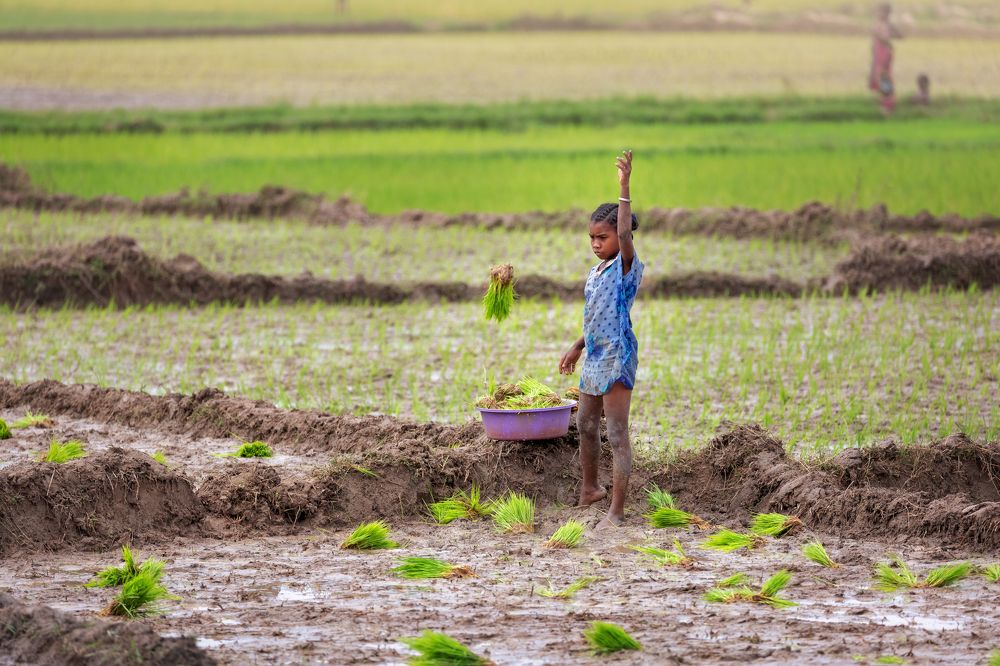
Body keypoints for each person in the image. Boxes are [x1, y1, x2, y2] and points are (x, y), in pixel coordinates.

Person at [559, 150, 644, 529]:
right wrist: (577, 346)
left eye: (602, 237)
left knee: (616, 432)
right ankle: (590, 489)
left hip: (617, 356)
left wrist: (624, 188)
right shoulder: (596, 271)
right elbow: (596, 317)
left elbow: (624, 232)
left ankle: (617, 510)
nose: (596, 243)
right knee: (587, 426)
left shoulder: (626, 265)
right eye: (592, 237)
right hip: (594, 355)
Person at [869, 3, 902, 115]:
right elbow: (878, 38)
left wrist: (889, 39)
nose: (880, 14)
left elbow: (898, 35)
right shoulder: (880, 25)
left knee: (884, 78)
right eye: (879, 12)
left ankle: (887, 105)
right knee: (882, 78)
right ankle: (886, 102)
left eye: (883, 12)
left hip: (884, 53)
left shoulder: (884, 25)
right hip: (880, 53)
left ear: (888, 13)